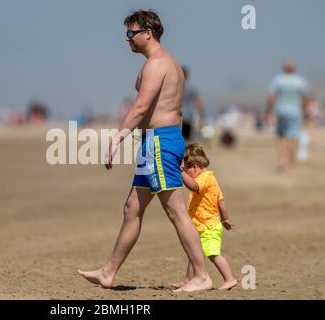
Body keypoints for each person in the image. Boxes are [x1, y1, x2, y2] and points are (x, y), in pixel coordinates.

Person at [77, 10, 212, 292]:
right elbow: (173, 107)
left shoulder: (157, 64)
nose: (127, 39)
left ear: (147, 33)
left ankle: (201, 275)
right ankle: (108, 272)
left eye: (131, 33)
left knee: (175, 210)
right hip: (156, 142)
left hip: (159, 142)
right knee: (132, 209)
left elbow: (140, 107)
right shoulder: (168, 63)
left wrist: (117, 138)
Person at [171, 144, 237, 291]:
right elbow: (221, 201)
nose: (186, 174)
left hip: (209, 226)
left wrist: (180, 173)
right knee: (194, 253)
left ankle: (230, 279)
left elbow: (193, 186)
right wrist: (225, 219)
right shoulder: (211, 178)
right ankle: (189, 279)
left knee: (213, 254)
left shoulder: (205, 178)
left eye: (187, 170)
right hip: (202, 225)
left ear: (194, 167)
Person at [266, 60, 309, 174]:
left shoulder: (277, 80)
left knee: (281, 137)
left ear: (283, 68)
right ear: (294, 69)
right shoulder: (300, 81)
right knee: (293, 138)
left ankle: (283, 161)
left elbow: (271, 97)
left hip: (281, 111)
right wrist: (305, 113)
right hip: (295, 112)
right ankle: (291, 163)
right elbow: (304, 99)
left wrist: (268, 111)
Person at [181, 66, 205, 141]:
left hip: (176, 117)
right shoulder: (191, 88)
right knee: (188, 139)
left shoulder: (174, 86)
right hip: (188, 117)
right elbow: (199, 102)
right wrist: (202, 115)